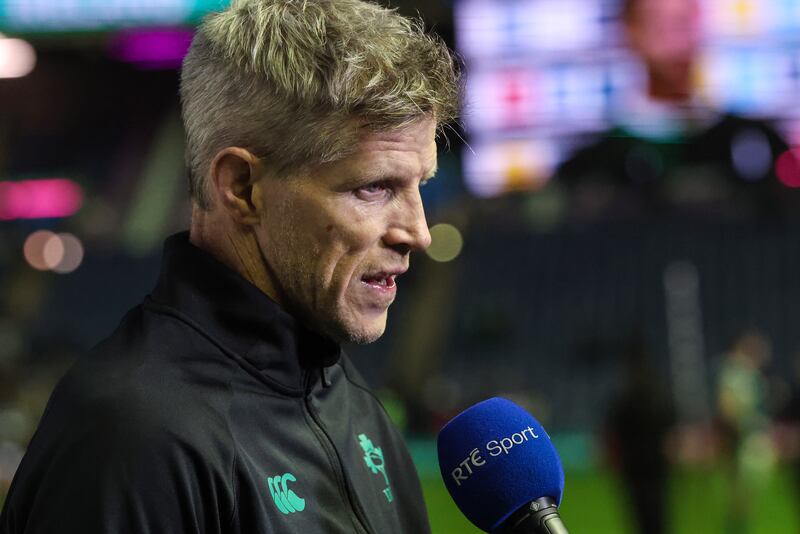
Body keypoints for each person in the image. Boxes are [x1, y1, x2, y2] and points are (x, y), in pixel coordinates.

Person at [0, 1, 460, 532]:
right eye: (373, 187)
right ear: (242, 188)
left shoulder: (354, 407)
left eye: (420, 185)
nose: (418, 233)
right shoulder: (130, 439)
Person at [557, 0, 792, 221]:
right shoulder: (594, 167)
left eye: (685, 24)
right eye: (661, 27)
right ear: (630, 32)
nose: (678, 44)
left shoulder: (753, 142)